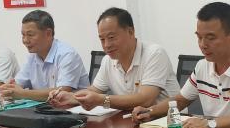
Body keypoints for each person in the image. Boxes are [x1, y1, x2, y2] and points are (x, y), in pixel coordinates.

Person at [131, 2, 230, 128]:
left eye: (211, 38)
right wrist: (150, 111)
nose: (203, 45)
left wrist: (210, 124)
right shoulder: (202, 66)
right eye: (199, 37)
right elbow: (180, 101)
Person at [50, 7, 180, 112]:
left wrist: (101, 100)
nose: (106, 45)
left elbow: (145, 99)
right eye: (102, 39)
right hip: (133, 120)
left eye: (111, 37)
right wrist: (71, 97)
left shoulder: (154, 54)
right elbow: (94, 91)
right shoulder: (108, 60)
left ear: (130, 32)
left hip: (168, 123)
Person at [0, 10, 90, 102]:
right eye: (23, 35)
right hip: (45, 108)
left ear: (48, 34)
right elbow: (18, 84)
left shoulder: (67, 54)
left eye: (30, 35)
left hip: (74, 108)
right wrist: (9, 89)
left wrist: (22, 94)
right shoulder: (32, 56)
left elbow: (62, 92)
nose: (25, 40)